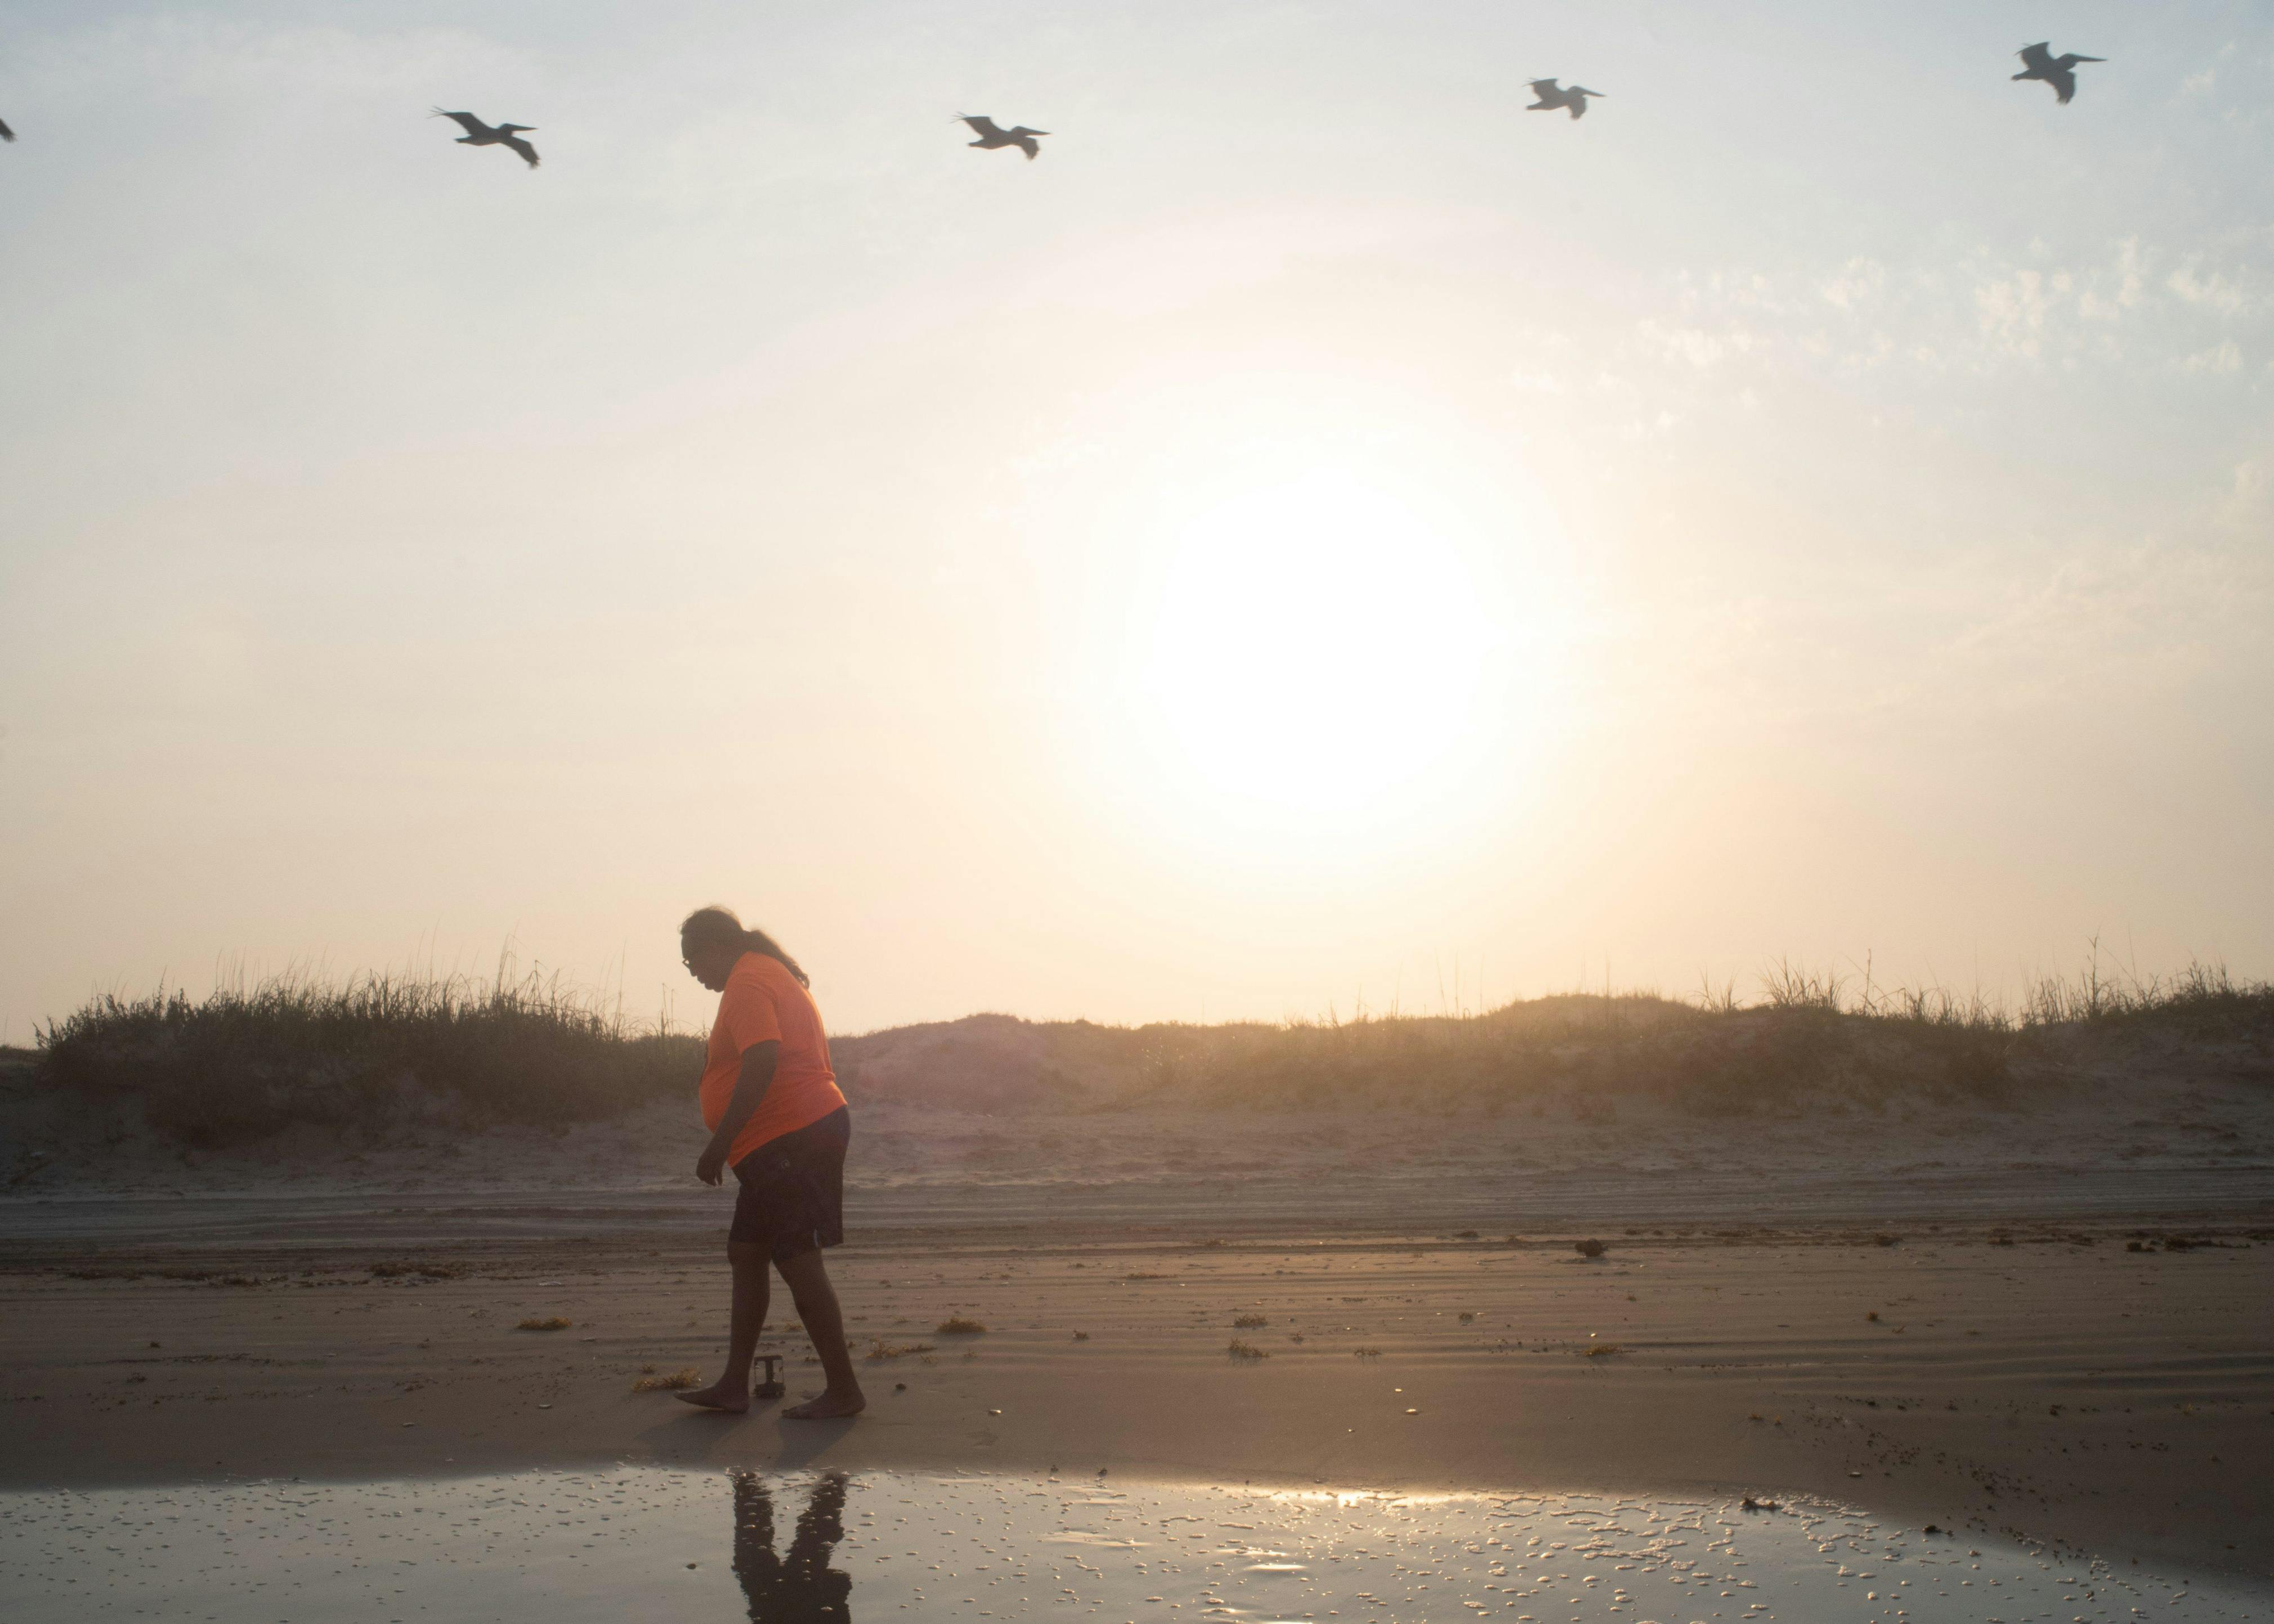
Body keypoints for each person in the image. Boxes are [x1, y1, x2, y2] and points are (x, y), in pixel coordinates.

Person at [675, 905, 865, 1419]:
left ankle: (844, 1391)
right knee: (747, 1251)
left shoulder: (748, 982)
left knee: (798, 1260)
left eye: (692, 960)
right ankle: (735, 1384)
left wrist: (720, 1143)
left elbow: (763, 1058)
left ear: (717, 948)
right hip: (785, 1138)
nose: (693, 972)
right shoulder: (762, 972)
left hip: (793, 1136)